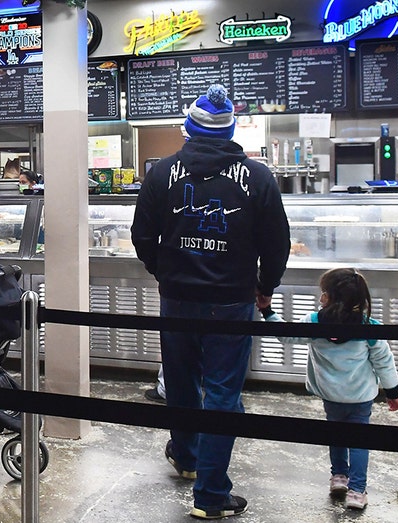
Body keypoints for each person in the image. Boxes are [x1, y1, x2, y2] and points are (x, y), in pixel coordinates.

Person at [131, 84, 290, 519]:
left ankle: (186, 458)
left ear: (187, 128)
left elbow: (141, 237)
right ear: (233, 130)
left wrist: (164, 273)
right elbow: (277, 244)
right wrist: (265, 285)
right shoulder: (258, 178)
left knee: (180, 384)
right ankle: (210, 494)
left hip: (178, 299)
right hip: (232, 302)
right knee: (222, 394)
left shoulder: (161, 173)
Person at [259, 268, 398, 511]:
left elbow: (287, 336)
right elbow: (384, 362)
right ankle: (357, 491)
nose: (320, 297)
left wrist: (267, 311)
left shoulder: (315, 322)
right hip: (359, 397)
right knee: (358, 441)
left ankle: (339, 477)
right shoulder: (370, 328)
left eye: (323, 292)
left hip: (331, 395)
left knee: (335, 434)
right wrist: (393, 392)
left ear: (330, 297)